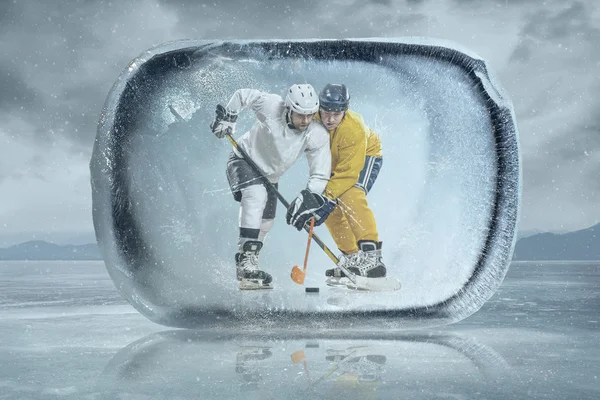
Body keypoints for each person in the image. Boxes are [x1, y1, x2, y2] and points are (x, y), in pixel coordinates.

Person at [210, 84, 335, 290]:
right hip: (244, 159)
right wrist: (228, 117)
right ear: (288, 108)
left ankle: (249, 268)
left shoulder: (317, 133)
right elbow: (242, 94)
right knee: (255, 195)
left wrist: (310, 196)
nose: (305, 121)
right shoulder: (271, 106)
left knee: (266, 222)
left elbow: (320, 172)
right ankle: (245, 259)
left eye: (310, 115)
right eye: (300, 115)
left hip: (271, 176)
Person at [315, 83, 386, 282]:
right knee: (329, 209)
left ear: (345, 111)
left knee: (349, 194)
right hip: (336, 159)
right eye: (326, 112)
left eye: (336, 114)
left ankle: (373, 259)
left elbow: (348, 175)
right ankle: (352, 257)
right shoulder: (310, 117)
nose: (330, 119)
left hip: (364, 156)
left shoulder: (354, 128)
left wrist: (327, 197)